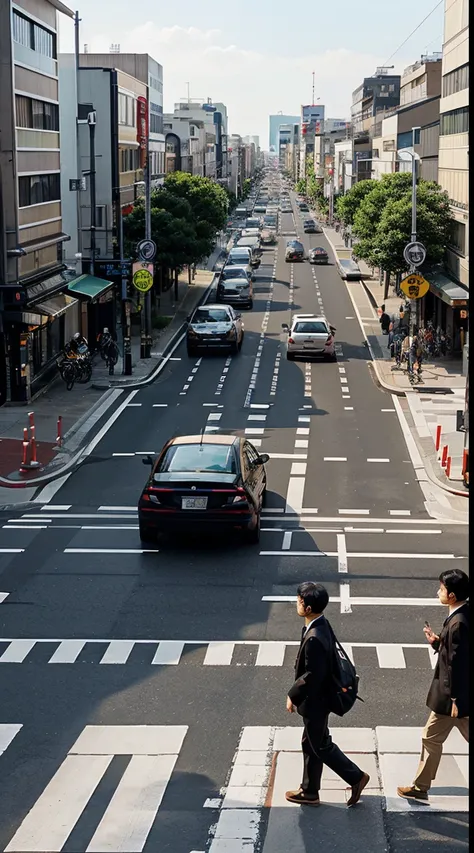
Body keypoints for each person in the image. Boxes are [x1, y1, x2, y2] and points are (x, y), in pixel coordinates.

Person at [285, 582, 370, 807]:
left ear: (309, 607)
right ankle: (310, 790)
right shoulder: (320, 623)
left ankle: (356, 777)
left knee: (320, 745)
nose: (297, 603)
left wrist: (293, 695)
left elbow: (313, 675)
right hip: (319, 698)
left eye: (300, 601)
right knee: (311, 742)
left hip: (317, 700)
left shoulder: (314, 636)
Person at [398, 569, 469, 802]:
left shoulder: (458, 623)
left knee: (430, 737)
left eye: (441, 589)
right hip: (456, 696)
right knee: (431, 737)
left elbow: (456, 665)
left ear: (451, 594)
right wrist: (438, 643)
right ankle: (420, 785)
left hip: (454, 698)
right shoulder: (461, 614)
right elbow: (455, 655)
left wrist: (455, 698)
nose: (438, 592)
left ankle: (420, 787)